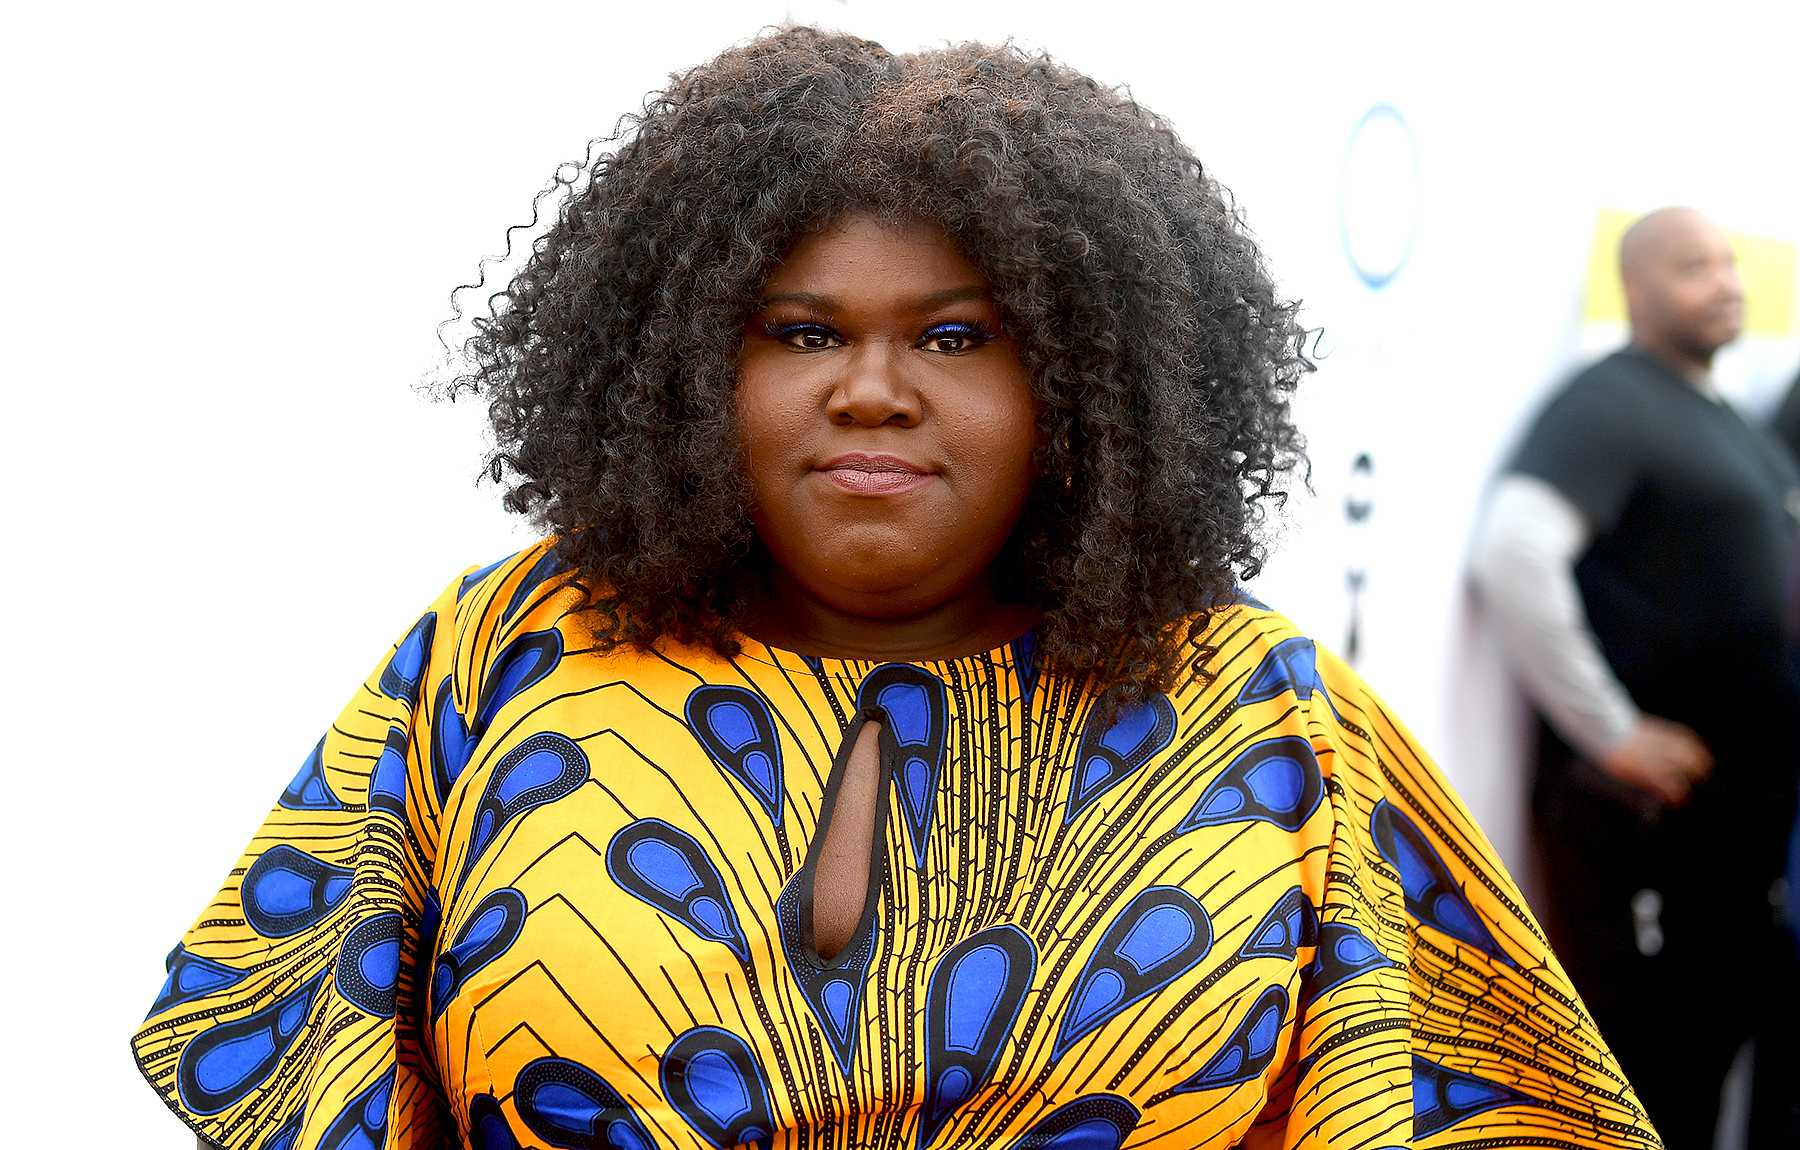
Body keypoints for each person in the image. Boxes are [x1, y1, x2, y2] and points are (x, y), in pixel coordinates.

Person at [134, 29, 1656, 1150]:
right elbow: (294, 1070)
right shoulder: (499, 653)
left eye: (954, 336)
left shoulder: (1268, 714)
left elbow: (1476, 1105)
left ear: (1083, 380)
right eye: (800, 333)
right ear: (682, 361)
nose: (871, 390)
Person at [1472, 207, 1800, 1147]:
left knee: (1699, 1069)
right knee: (1644, 1078)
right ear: (1636, 289)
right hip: (1647, 830)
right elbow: (1514, 553)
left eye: (1729, 262)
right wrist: (1612, 731)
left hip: (1729, 827)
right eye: (1694, 266)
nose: (1725, 281)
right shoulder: (1609, 400)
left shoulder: (1716, 408)